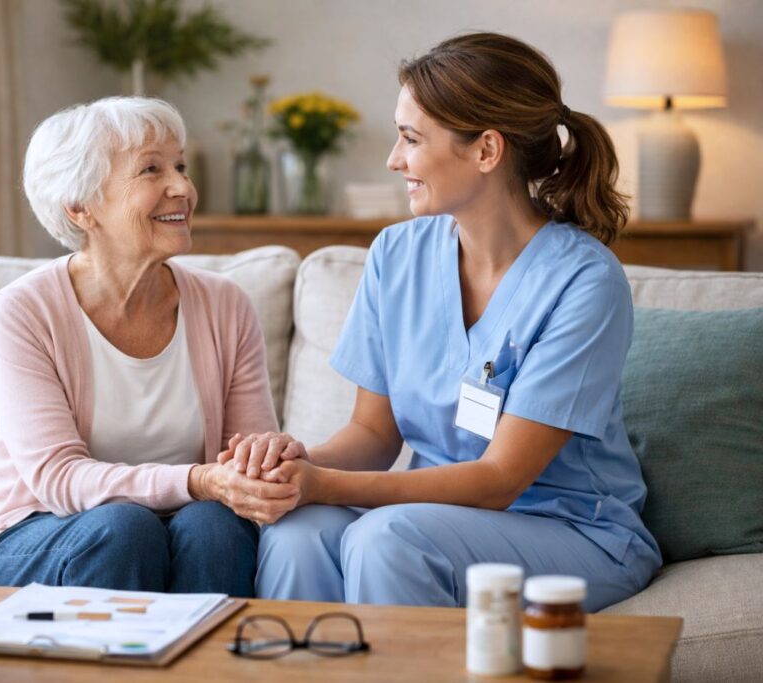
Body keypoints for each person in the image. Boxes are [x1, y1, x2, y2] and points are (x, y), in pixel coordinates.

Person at [223, 32, 662, 611]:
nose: (393, 159)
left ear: (486, 150)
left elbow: (502, 478)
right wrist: (291, 465)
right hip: (432, 516)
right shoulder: (395, 254)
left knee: (389, 539)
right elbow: (375, 435)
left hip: (571, 528)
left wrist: (326, 485)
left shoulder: (584, 282)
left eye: (410, 138)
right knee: (297, 532)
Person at [0, 97, 299, 596]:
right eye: (151, 169)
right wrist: (199, 480)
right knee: (124, 529)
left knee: (216, 526)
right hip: (36, 526)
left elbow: (245, 456)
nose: (183, 187)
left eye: (181, 166)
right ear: (80, 207)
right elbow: (58, 479)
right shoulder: (24, 311)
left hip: (177, 524)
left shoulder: (225, 304)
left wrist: (267, 458)